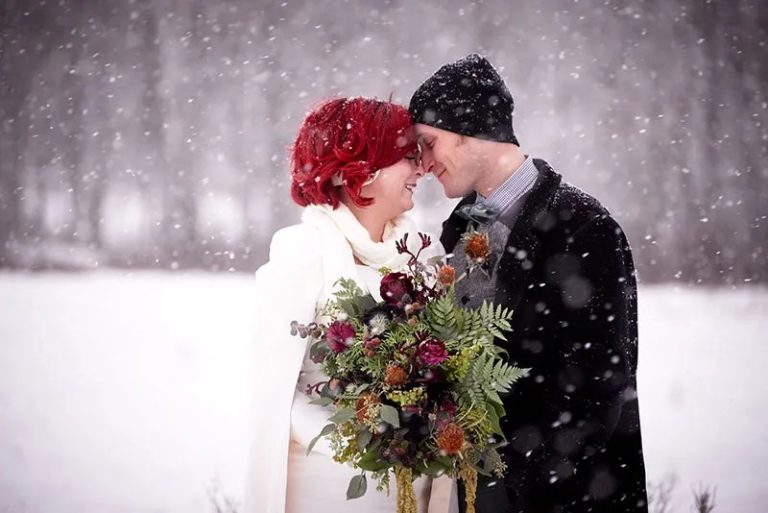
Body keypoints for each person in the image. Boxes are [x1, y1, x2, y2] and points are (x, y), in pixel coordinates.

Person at [408, 54, 648, 513]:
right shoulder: (459, 228)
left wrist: (519, 476)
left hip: (568, 498)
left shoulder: (584, 228)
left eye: (428, 143)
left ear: (467, 128)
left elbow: (598, 389)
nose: (423, 164)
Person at [242, 97, 457, 513]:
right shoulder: (303, 251)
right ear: (358, 170)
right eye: (405, 158)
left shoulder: (425, 255)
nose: (420, 170)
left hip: (416, 492)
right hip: (329, 490)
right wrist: (369, 438)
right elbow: (273, 391)